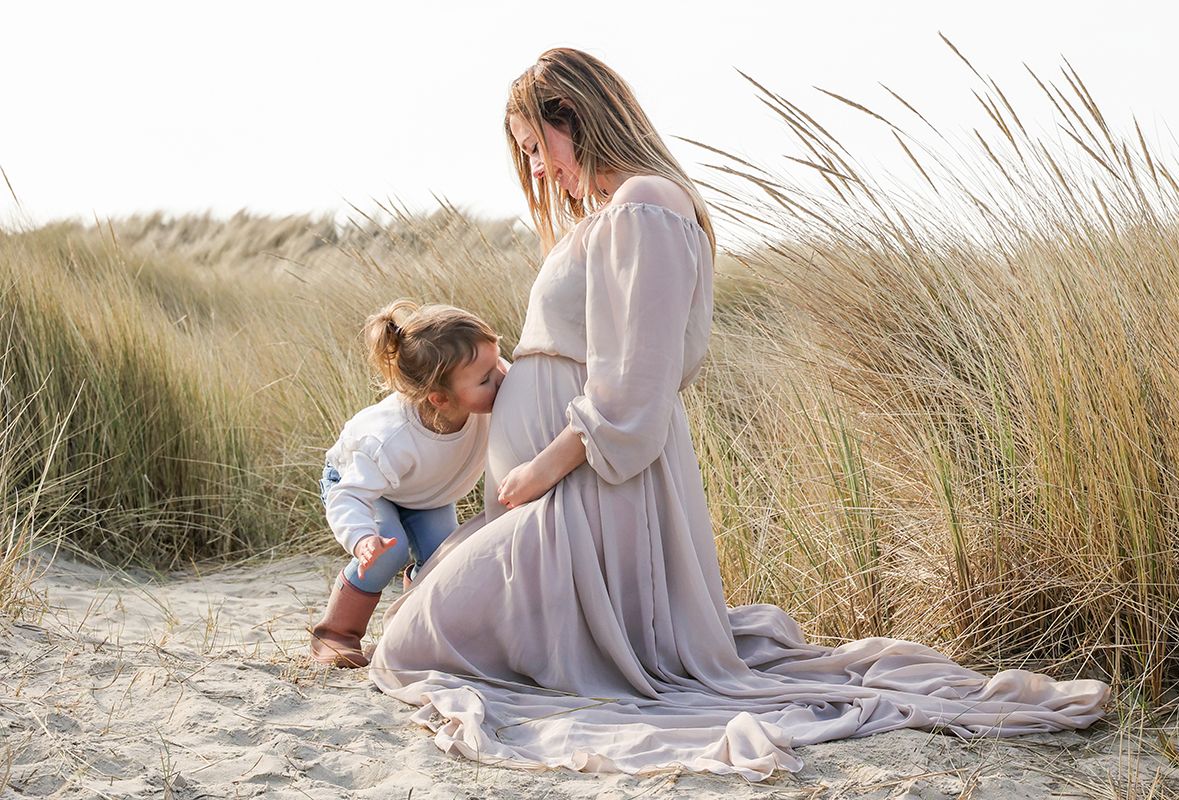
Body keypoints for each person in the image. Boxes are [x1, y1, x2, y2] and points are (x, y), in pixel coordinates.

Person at [368, 48, 1109, 779]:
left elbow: (639, 378)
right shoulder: (624, 210)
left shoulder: (645, 204)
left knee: (413, 645)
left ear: (578, 117)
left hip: (587, 491)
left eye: (539, 146)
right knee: (416, 638)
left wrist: (541, 464)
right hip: (570, 494)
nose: (536, 169)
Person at [310, 299, 507, 668]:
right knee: (389, 550)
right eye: (486, 379)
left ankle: (409, 630)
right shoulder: (389, 439)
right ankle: (337, 634)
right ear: (440, 398)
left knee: (443, 561)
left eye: (497, 363)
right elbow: (349, 495)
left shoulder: (490, 391)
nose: (501, 377)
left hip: (425, 495)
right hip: (363, 488)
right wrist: (361, 538)